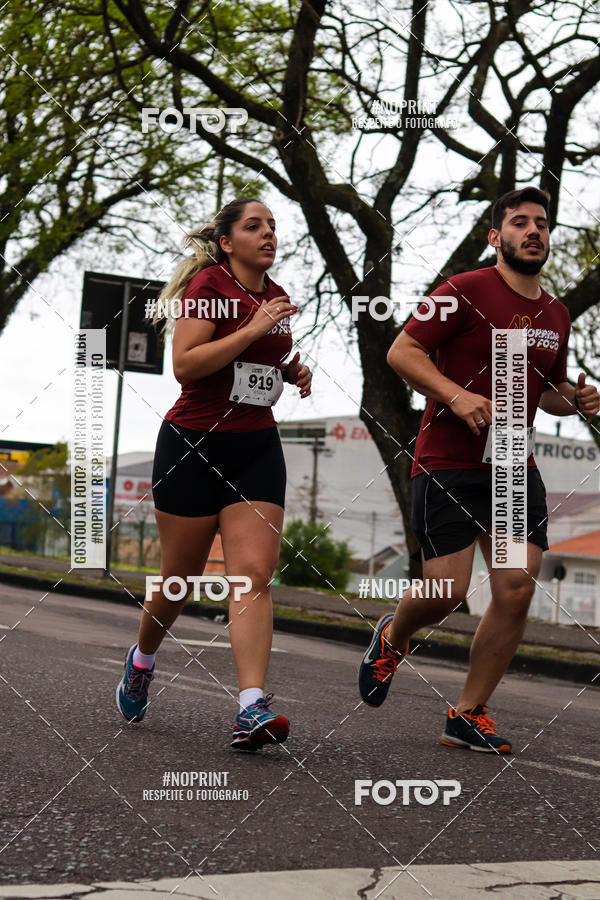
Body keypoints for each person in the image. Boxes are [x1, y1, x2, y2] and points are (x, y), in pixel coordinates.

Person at [358, 186, 599, 753]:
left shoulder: (556, 313)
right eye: (519, 222)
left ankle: (467, 713)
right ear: (496, 236)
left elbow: (548, 392)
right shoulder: (462, 290)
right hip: (449, 461)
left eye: (542, 223)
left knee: (515, 588)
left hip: (513, 464)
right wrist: (456, 395)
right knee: (446, 589)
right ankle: (393, 634)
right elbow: (401, 352)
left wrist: (577, 400)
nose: (533, 231)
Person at [116, 198, 312, 751]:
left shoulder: (274, 294)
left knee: (253, 574)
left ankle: (251, 706)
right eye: (254, 226)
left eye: (272, 226)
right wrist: (253, 329)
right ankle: (142, 659)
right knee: (178, 581)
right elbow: (187, 365)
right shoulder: (208, 287)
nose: (268, 234)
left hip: (255, 447)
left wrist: (291, 369)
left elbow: (260, 362)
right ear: (227, 242)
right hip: (193, 445)